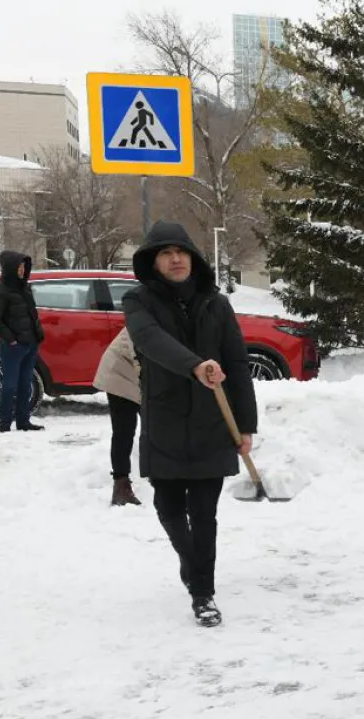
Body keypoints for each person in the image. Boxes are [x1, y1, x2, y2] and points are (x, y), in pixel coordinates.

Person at [122, 221, 258, 628]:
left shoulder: (216, 303)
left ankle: (203, 592)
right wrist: (194, 365)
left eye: (180, 251)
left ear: (193, 257)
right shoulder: (138, 301)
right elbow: (148, 340)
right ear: (153, 261)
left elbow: (236, 362)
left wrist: (246, 425)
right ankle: (191, 568)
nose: (175, 258)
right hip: (164, 417)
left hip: (212, 421)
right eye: (165, 253)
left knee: (204, 513)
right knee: (167, 507)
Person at [0, 250, 45, 434]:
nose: (22, 269)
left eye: (24, 266)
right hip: (13, 346)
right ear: (11, 268)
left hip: (30, 343)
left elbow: (31, 314)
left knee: (25, 384)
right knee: (10, 385)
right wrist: (10, 340)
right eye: (19, 266)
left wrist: (38, 335)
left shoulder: (24, 287)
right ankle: (5, 424)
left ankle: (23, 421)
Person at [92, 327, 143, 506]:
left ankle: (157, 476)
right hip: (119, 373)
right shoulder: (146, 315)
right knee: (124, 430)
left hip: (134, 374)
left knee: (154, 428)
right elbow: (141, 354)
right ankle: (121, 486)